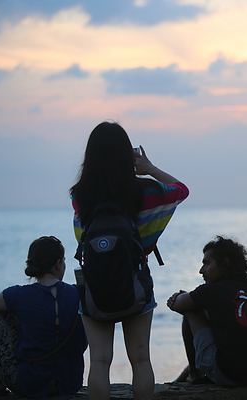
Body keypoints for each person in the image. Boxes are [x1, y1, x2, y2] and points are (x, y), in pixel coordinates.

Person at [70, 121, 189, 400]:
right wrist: (148, 168)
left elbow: (81, 240)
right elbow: (181, 190)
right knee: (140, 359)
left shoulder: (80, 195)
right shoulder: (144, 191)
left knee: (99, 360)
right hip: (135, 284)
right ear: (128, 155)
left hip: (95, 285)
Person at [167, 236, 247, 387]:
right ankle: (188, 374)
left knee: (191, 311)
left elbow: (178, 305)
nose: (201, 270)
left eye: (206, 263)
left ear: (224, 264)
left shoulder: (213, 291)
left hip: (230, 377)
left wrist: (179, 297)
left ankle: (195, 375)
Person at [0, 236, 87, 398]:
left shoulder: (18, 295)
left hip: (28, 383)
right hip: (69, 383)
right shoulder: (78, 294)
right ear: (58, 264)